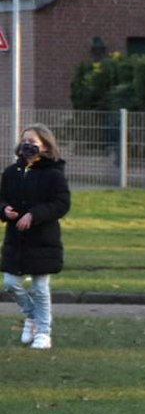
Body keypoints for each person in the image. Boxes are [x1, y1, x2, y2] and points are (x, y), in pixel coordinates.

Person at [2, 124, 70, 350]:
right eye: (25, 141)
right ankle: (31, 316)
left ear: (45, 146)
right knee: (11, 283)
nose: (27, 145)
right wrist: (4, 210)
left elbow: (61, 203)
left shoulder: (53, 174)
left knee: (40, 288)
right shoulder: (11, 173)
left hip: (43, 240)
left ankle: (43, 332)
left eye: (33, 142)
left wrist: (34, 214)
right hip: (16, 240)